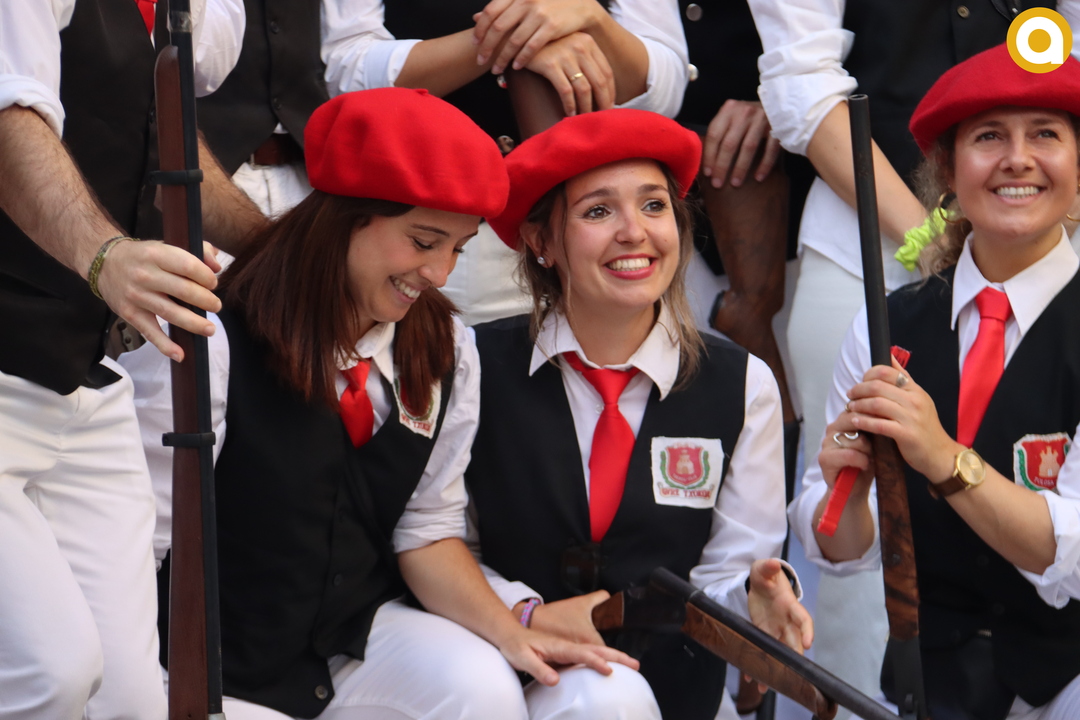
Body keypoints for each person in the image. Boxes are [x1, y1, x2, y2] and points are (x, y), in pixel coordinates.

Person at [122, 87, 636, 720]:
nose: (440, 273)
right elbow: (139, 542)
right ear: (345, 217)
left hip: (348, 641)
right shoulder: (211, 337)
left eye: (458, 247)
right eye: (423, 241)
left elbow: (425, 529)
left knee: (483, 687)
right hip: (208, 664)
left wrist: (510, 632)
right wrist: (139, 693)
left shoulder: (447, 346)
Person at [746, 1, 1080, 708]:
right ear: (947, 173)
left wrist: (942, 457)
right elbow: (842, 551)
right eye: (988, 137)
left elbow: (1070, 557)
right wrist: (845, 494)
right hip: (937, 684)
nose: (1017, 158)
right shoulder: (887, 328)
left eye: (1045, 134)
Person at [466, 109, 813, 720]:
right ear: (540, 242)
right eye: (598, 211)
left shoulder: (742, 384)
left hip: (672, 693)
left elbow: (724, 577)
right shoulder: (472, 365)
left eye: (654, 206)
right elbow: (441, 541)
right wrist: (525, 613)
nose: (635, 232)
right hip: (495, 676)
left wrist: (755, 594)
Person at [0, 1, 246, 717]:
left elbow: (161, 126)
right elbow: (9, 115)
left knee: (131, 700)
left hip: (85, 378)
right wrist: (105, 255)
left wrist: (282, 254)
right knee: (51, 673)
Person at [319, 0, 688, 325]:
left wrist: (591, 16)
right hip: (422, 223)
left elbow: (665, 88)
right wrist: (516, 39)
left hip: (570, 228)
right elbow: (345, 71)